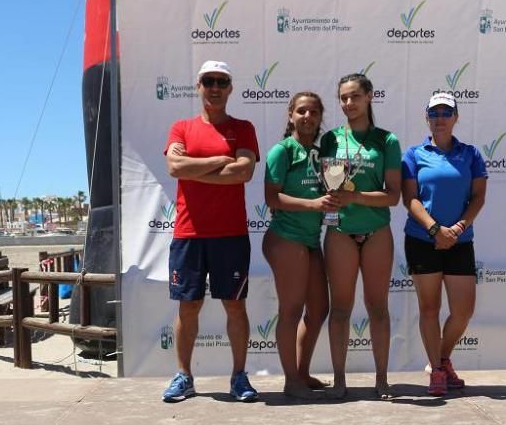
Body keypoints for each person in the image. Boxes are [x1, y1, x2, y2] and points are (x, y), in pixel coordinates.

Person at [161, 60, 260, 402]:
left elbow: (243, 173)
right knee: (188, 307)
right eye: (208, 81)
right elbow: (175, 166)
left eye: (221, 81)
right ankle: (184, 376)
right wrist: (220, 160)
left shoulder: (244, 128)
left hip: (230, 234)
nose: (215, 87)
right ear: (199, 86)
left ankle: (238, 377)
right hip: (188, 234)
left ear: (230, 88)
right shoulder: (181, 127)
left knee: (235, 306)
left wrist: (194, 170)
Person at [319, 73, 402, 399]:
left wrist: (356, 197)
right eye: (343, 98)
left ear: (370, 96)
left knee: (377, 308)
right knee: (340, 308)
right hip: (340, 232)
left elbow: (393, 196)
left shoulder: (387, 140)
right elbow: (331, 190)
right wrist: (339, 199)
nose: (349, 104)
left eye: (355, 96)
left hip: (377, 231)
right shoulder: (330, 139)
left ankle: (382, 379)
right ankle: (339, 380)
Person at [401, 92, 488, 397]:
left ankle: (441, 358)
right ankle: (437, 371)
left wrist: (458, 227)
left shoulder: (471, 154)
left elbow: (478, 197)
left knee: (463, 311)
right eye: (434, 113)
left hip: (460, 240)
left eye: (446, 112)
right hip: (422, 239)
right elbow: (409, 198)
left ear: (456, 117)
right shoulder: (414, 154)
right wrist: (436, 229)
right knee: (429, 308)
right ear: (427, 117)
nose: (440, 118)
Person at [263, 91, 334, 398]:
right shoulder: (283, 151)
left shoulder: (322, 155)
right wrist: (313, 204)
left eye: (314, 112)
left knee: (319, 309)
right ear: (291, 114)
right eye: (301, 111)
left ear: (320, 118)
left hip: (310, 241)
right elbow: (271, 197)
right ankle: (291, 380)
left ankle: (302, 374)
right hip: (285, 239)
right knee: (291, 310)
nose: (308, 117)